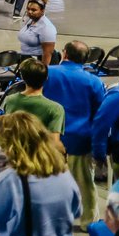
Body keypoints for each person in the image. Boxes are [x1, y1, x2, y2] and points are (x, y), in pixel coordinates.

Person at [43, 40, 106, 226]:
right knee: (86, 184)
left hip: (51, 139)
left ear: (64, 54)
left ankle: (51, 222)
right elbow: (100, 113)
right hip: (81, 140)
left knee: (49, 183)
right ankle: (89, 223)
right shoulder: (94, 82)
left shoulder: (48, 73)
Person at [4, 58, 66, 150]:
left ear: (22, 78)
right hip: (40, 158)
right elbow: (54, 143)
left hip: (14, 154)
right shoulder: (56, 109)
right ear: (46, 78)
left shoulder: (9, 100)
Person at [16, 0, 56, 67]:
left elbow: (47, 53)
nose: (30, 12)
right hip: (26, 59)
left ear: (42, 11)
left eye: (34, 10)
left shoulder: (46, 28)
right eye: (28, 9)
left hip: (38, 63)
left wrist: (42, 71)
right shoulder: (30, 20)